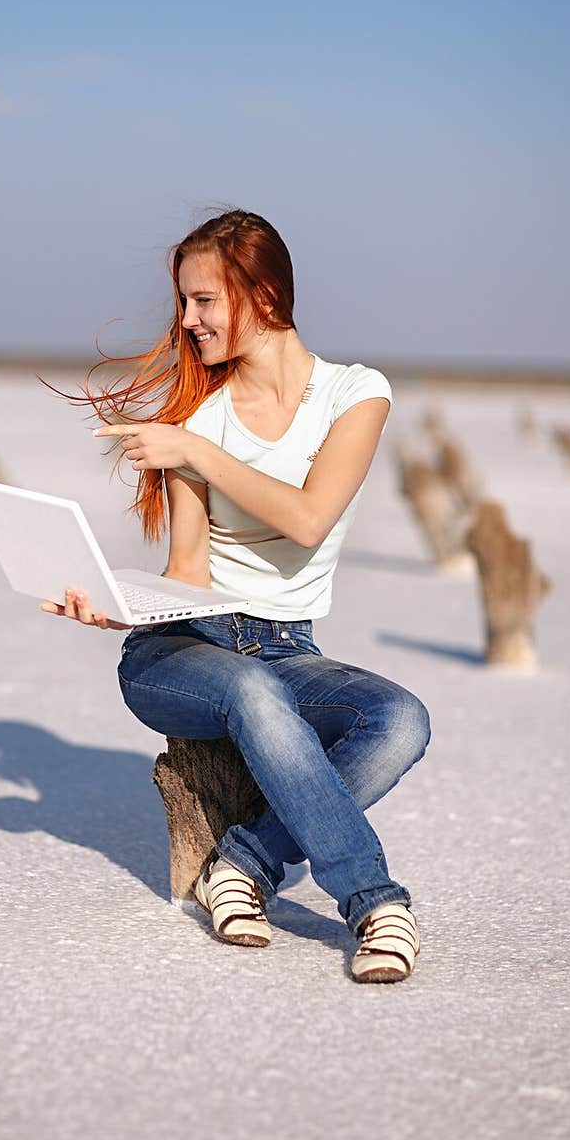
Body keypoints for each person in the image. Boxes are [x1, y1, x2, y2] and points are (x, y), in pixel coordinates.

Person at [40, 207, 431, 982]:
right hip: (183, 651)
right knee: (250, 689)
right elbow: (187, 573)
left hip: (288, 645)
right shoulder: (200, 419)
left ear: (263, 294)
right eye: (183, 303)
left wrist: (193, 450)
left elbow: (310, 517)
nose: (186, 321)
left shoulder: (356, 394)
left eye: (203, 301)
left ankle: (243, 862)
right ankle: (375, 900)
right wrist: (117, 607)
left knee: (399, 720)